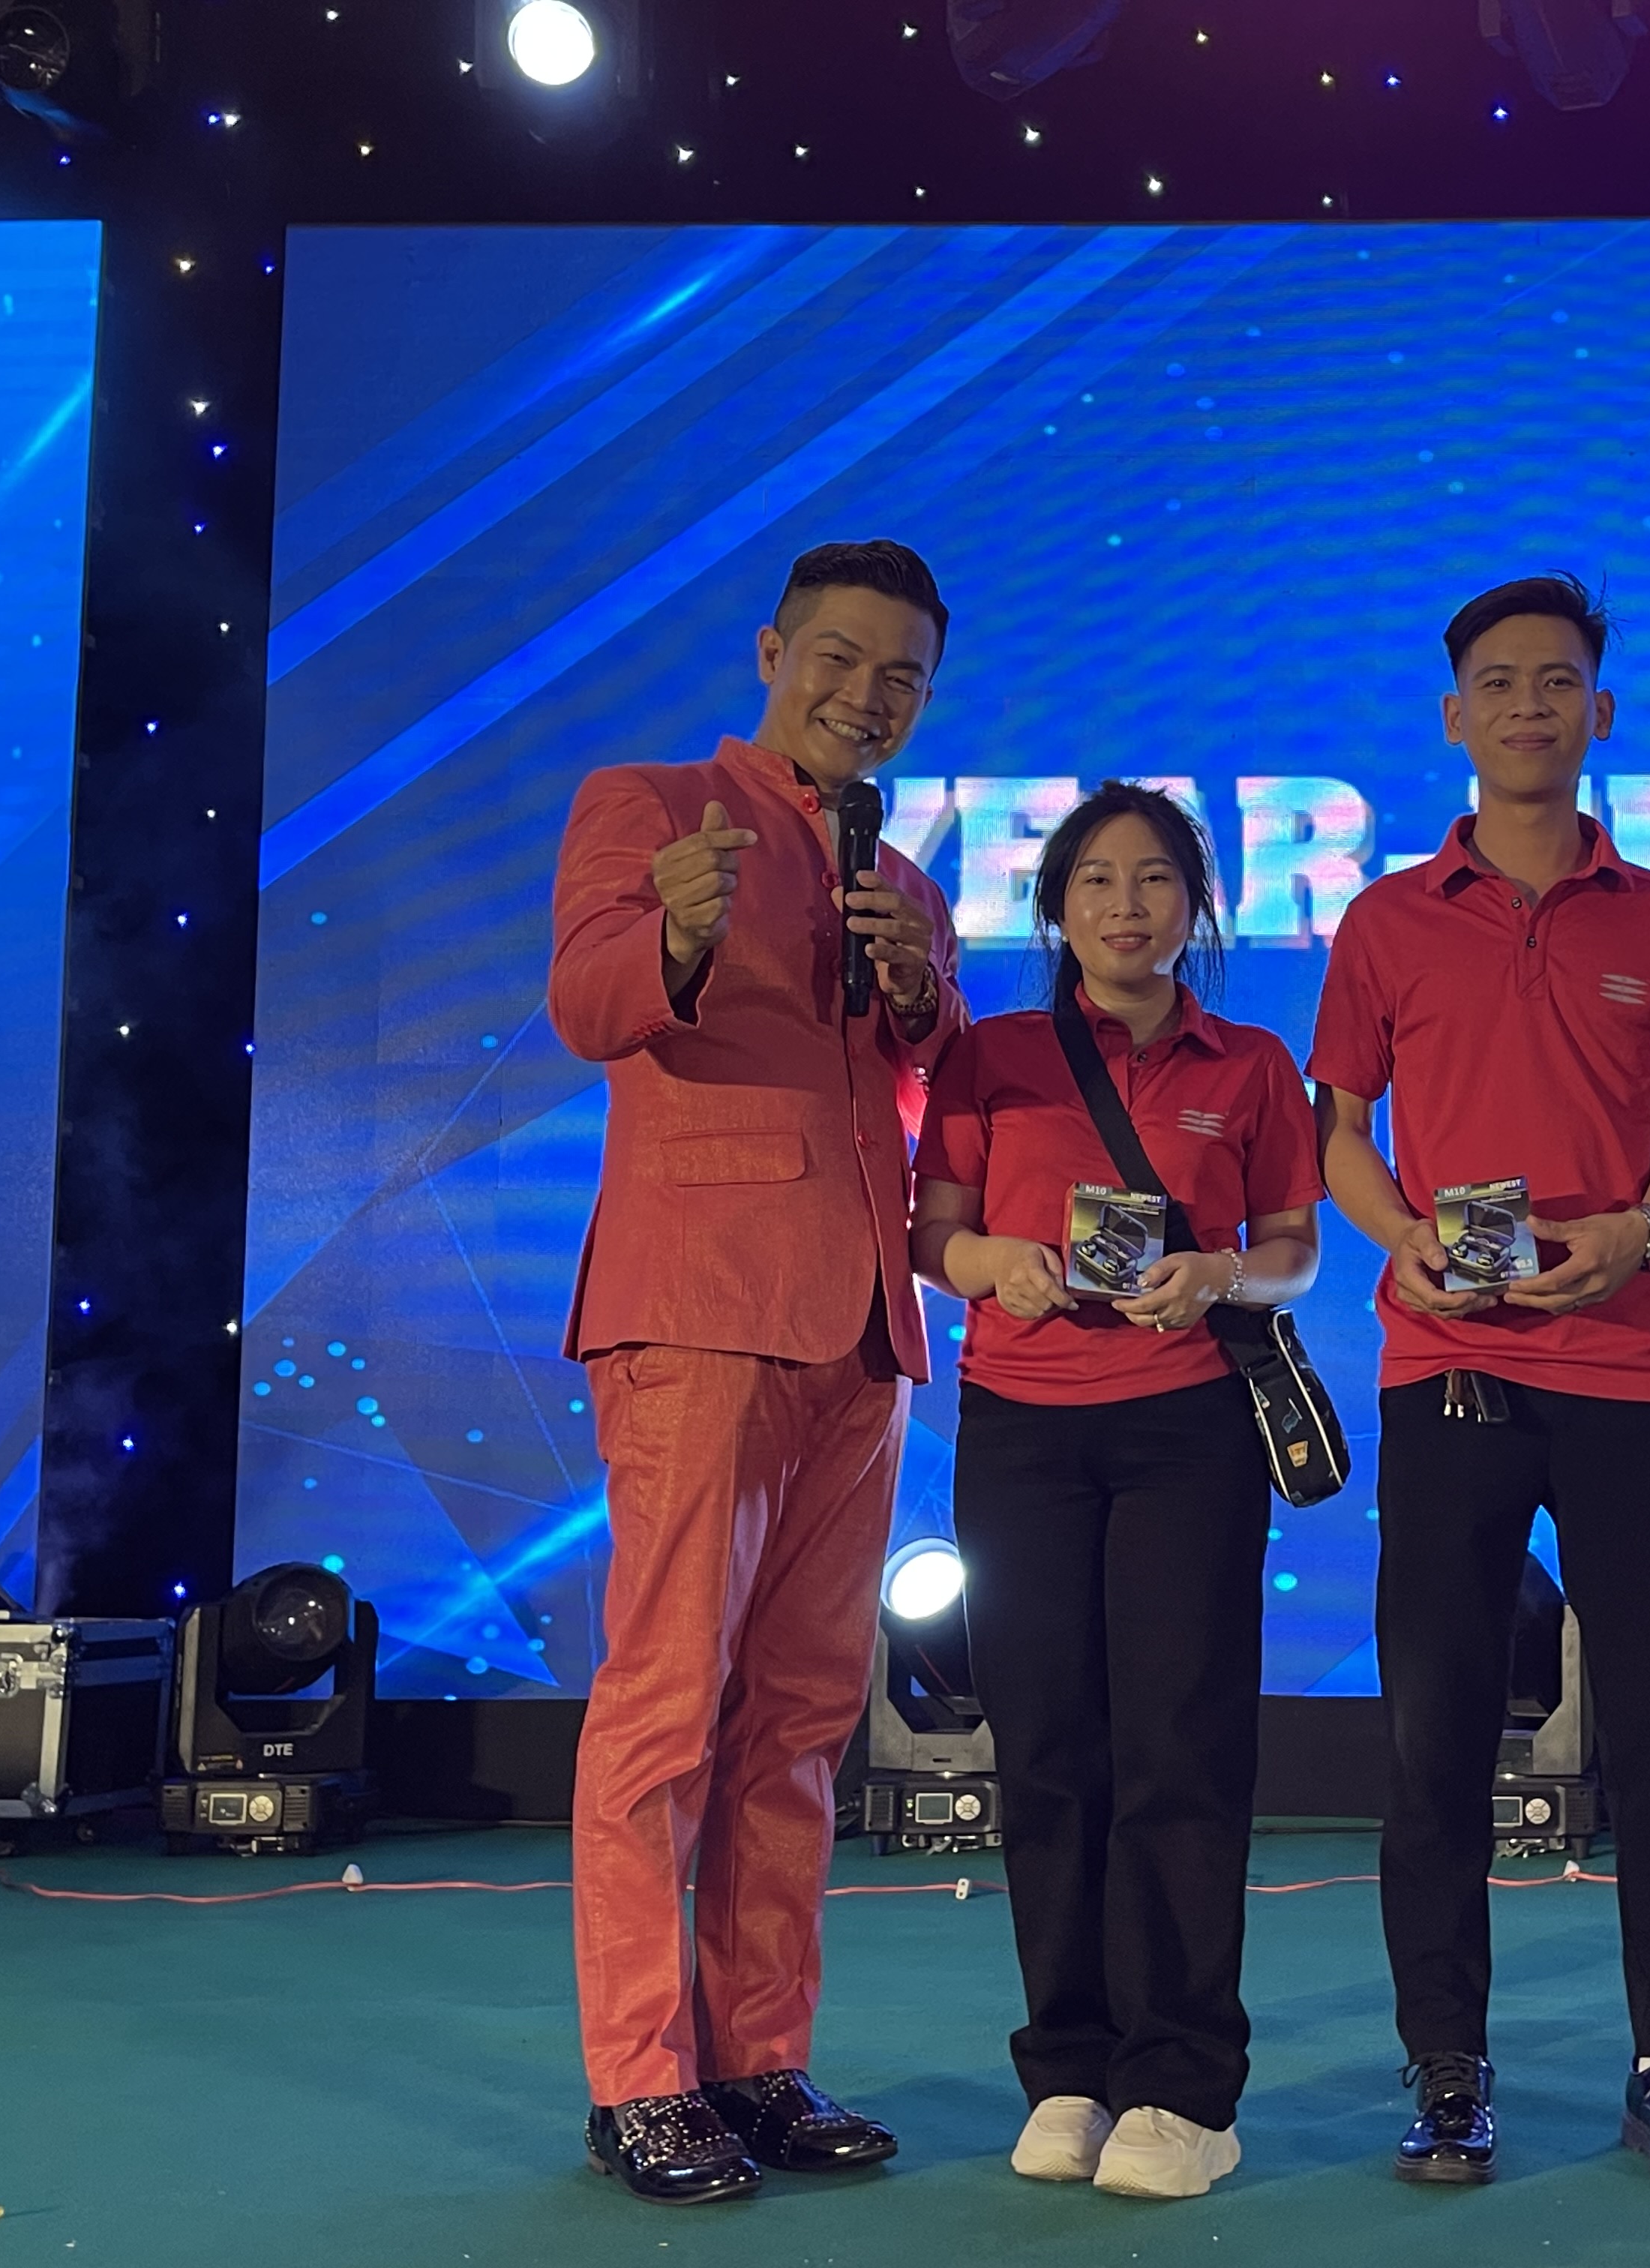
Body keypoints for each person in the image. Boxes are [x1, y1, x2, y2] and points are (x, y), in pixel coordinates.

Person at [1310, 573, 1650, 2188]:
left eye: (1557, 682)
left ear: (1601, 712)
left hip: (1635, 1366)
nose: (1527, 706)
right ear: (1455, 717)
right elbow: (1341, 1134)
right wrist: (1402, 1243)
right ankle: (1447, 2066)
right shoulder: (1385, 922)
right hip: (1449, 1363)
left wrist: (1642, 1229)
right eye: (1498, 683)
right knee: (1436, 1735)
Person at [548, 540, 965, 2206]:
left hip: (865, 1328)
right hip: (700, 1305)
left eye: (902, 677)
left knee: (799, 1721)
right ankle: (641, 2078)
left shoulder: (905, 879)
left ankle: (759, 2057)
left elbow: (924, 1088)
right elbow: (587, 1004)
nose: (868, 696)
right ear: (772, 650)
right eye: (840, 659)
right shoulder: (651, 805)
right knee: (666, 1703)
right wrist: (677, 929)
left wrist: (922, 992)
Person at [912, 781, 1323, 2202]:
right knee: (1045, 1755)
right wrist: (995, 1266)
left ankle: (1184, 2085)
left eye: (1156, 880)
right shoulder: (993, 1056)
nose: (1127, 905)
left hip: (1187, 1432)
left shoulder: (1252, 1063)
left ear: (1196, 907)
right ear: (1054, 906)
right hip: (1019, 1433)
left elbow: (1294, 1251)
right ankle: (1071, 2071)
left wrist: (1221, 1272)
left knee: (1179, 1752)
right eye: (1097, 880)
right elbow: (934, 1231)